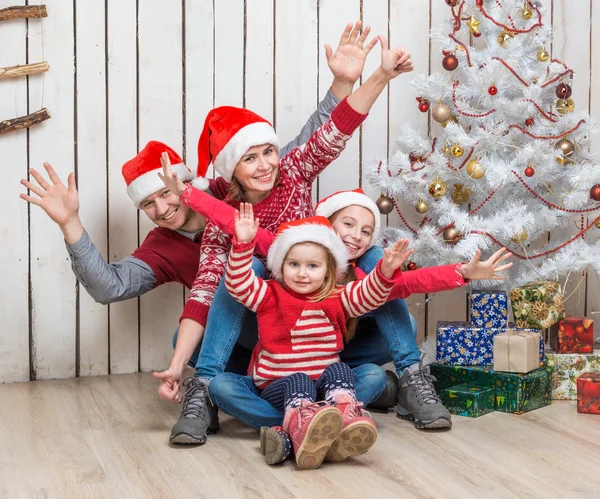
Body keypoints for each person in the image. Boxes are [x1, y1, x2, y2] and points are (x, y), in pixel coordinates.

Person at [18, 21, 373, 387]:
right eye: (148, 205)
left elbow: (309, 143)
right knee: (188, 337)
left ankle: (342, 375)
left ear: (186, 184)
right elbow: (109, 286)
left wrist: (342, 84)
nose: (161, 209)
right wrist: (69, 222)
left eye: (165, 193)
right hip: (256, 321)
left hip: (314, 306)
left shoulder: (236, 185)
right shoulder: (162, 246)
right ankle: (262, 385)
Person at [157, 33, 414, 445]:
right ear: (231, 169)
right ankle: (208, 392)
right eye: (249, 157)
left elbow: (338, 130)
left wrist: (381, 75)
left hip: (320, 329)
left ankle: (306, 413)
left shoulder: (293, 172)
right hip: (268, 329)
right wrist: (176, 366)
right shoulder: (223, 218)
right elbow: (205, 290)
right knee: (230, 290)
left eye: (268, 152)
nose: (265, 166)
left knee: (366, 372)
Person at [225, 206, 410, 469]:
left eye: (312, 266)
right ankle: (302, 426)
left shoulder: (337, 297)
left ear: (328, 270)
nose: (302, 273)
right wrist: (243, 244)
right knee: (223, 386)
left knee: (359, 373)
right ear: (281, 266)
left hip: (324, 387)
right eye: (294, 264)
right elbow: (238, 283)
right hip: (279, 386)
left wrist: (386, 271)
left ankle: (340, 418)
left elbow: (369, 294)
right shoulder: (269, 294)